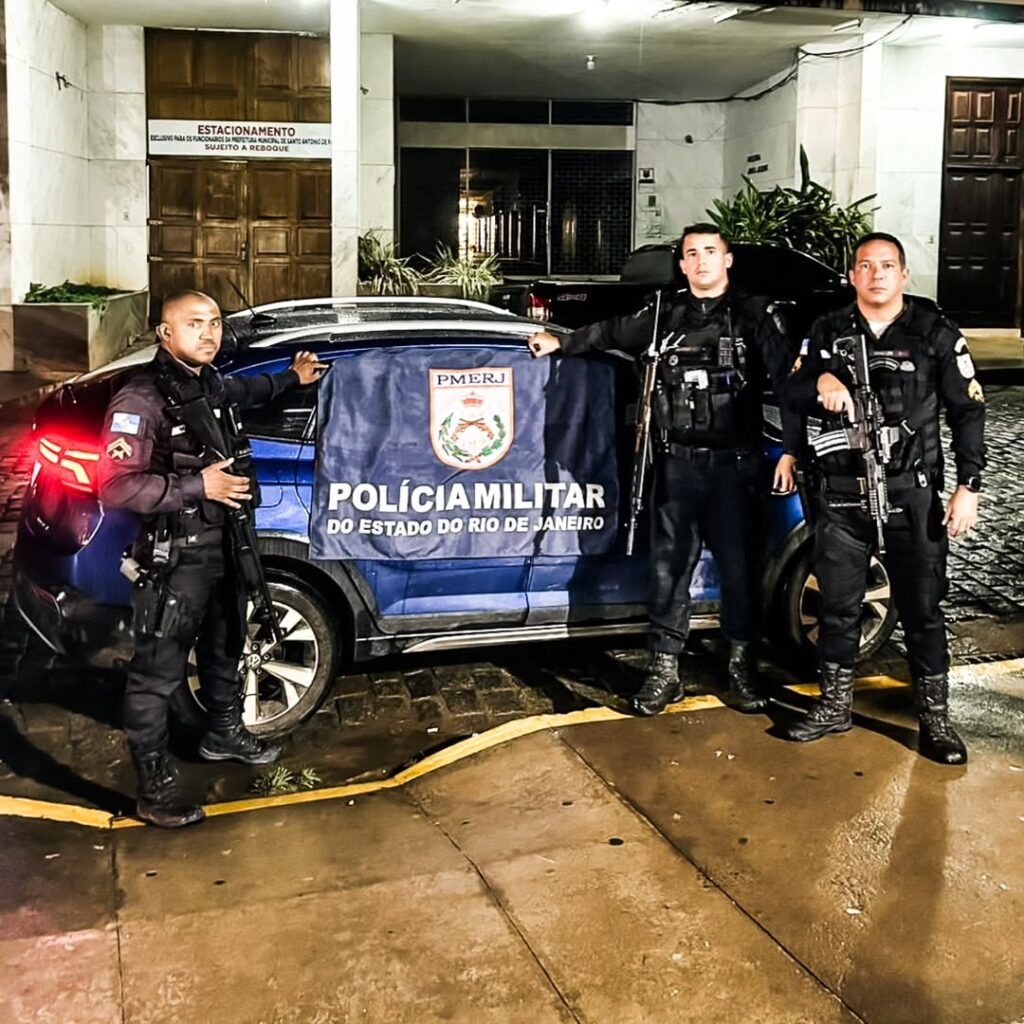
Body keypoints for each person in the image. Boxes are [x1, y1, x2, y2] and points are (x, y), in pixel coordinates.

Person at [528, 224, 799, 716]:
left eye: (710, 252)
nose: (700, 261)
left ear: (727, 260)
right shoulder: (663, 314)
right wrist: (561, 343)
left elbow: (787, 386)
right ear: (682, 264)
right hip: (677, 467)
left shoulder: (755, 314)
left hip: (734, 469)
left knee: (739, 572)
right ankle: (664, 670)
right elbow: (611, 332)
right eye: (691, 253)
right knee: (668, 572)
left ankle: (741, 668)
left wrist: (791, 450)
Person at [98, 290, 326, 827]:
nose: (209, 333)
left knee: (227, 642)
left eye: (215, 323)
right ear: (165, 333)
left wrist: (291, 378)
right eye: (195, 323)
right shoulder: (140, 399)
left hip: (225, 543)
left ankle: (224, 734)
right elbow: (115, 485)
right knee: (156, 675)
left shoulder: (207, 381)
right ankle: (154, 790)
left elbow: (246, 391)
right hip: (176, 555)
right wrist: (198, 485)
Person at [780, 232, 985, 764]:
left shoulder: (934, 333)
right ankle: (834, 706)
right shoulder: (827, 330)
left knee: (922, 608)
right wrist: (822, 380)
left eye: (887, 266)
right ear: (853, 276)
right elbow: (790, 392)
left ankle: (934, 719)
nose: (876, 275)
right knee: (839, 606)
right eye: (866, 266)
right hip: (841, 497)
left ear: (903, 274)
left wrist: (968, 486)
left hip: (910, 496)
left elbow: (968, 411)